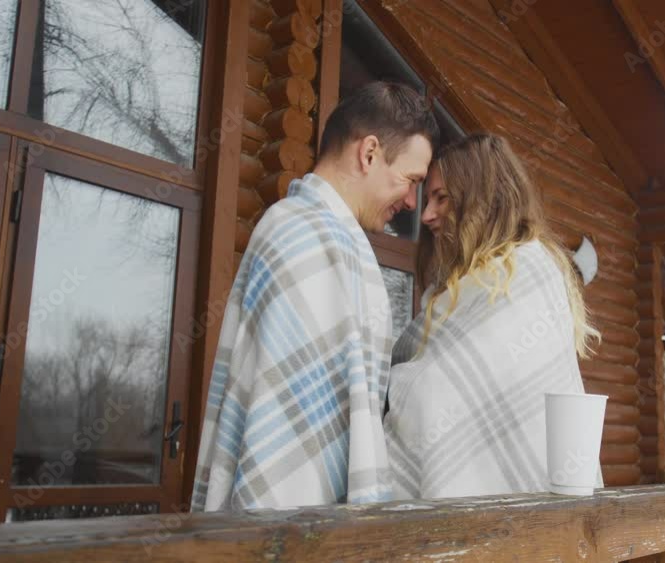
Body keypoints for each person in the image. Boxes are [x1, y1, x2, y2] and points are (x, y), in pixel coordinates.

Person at [192, 82, 438, 511]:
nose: (413, 202)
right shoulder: (304, 235)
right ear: (369, 153)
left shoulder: (321, 232)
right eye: (411, 180)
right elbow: (287, 436)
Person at [383, 133, 602, 499]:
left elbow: (437, 390)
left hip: (527, 498)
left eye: (442, 198)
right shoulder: (460, 287)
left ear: (481, 200)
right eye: (427, 199)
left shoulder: (526, 271)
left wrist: (390, 385)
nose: (426, 215)